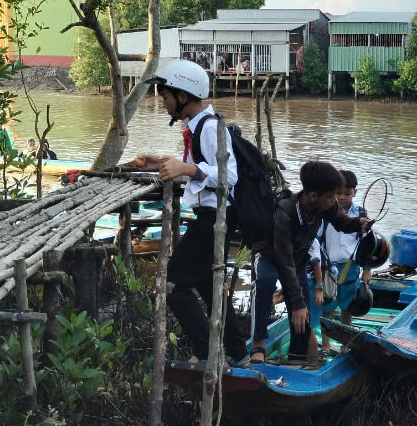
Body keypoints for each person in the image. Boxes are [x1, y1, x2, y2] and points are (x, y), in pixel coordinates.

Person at [128, 59, 247, 364]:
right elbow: (201, 171)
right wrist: (162, 162)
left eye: (166, 97)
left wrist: (187, 168)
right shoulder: (199, 127)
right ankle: (237, 352)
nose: (164, 103)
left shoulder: (208, 128)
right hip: (213, 216)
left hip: (214, 219)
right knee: (207, 285)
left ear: (183, 96)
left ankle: (208, 353)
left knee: (171, 284)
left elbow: (228, 176)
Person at [249, 161, 370, 365]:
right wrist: (294, 302)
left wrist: (359, 223)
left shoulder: (324, 204)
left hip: (296, 260)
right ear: (313, 196)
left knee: (303, 312)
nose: (335, 201)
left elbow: (342, 222)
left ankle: (297, 356)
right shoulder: (285, 214)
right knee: (267, 282)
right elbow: (283, 261)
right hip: (270, 255)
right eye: (331, 196)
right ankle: (258, 344)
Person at [312, 169, 372, 352]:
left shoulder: (360, 213)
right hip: (329, 267)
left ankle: (347, 345)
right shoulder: (326, 213)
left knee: (348, 306)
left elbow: (367, 243)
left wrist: (367, 269)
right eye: (338, 193)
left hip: (351, 266)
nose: (343, 197)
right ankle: (326, 345)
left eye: (347, 193)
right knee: (328, 307)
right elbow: (317, 239)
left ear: (355, 191)